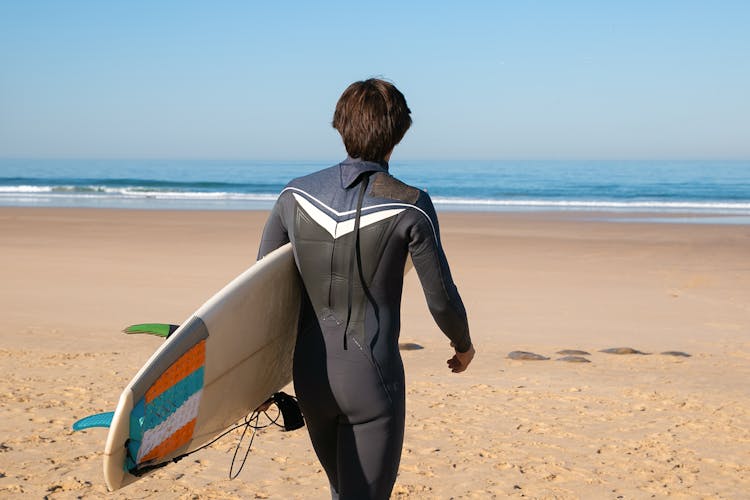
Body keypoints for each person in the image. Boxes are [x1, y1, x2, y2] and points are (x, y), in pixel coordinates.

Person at [257, 78, 475, 499]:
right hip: (372, 381)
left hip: (311, 379)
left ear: (340, 126)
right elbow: (441, 298)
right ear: (398, 135)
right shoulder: (411, 204)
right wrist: (463, 345)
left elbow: (264, 295)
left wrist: (258, 381)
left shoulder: (293, 195)